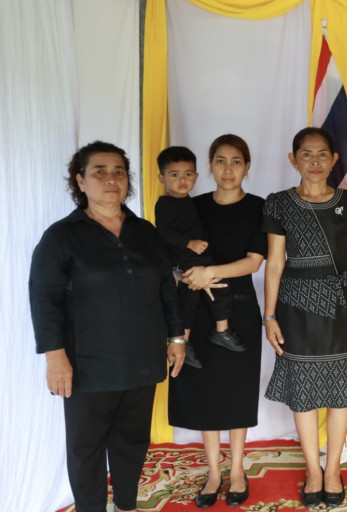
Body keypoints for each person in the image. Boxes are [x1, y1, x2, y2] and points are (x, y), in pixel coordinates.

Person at [29, 141, 186, 512]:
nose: (111, 179)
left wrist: (176, 337)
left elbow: (166, 288)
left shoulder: (145, 232)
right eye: (99, 171)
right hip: (88, 364)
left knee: (132, 440)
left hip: (143, 358)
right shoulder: (62, 237)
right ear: (81, 181)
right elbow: (44, 299)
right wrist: (55, 357)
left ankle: (127, 505)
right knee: (87, 447)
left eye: (119, 172)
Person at [262, 127, 347, 509]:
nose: (314, 161)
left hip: (343, 308)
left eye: (322, 154)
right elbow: (274, 264)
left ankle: (333, 471)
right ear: (293, 160)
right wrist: (269, 316)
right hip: (294, 310)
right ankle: (313, 470)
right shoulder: (278, 204)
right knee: (304, 391)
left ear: (333, 160)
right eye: (306, 154)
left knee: (341, 390)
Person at [167, 134, 267, 508]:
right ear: (209, 166)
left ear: (247, 166)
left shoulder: (259, 207)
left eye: (236, 161)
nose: (228, 169)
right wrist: (186, 275)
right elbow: (172, 257)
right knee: (204, 390)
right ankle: (213, 473)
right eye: (220, 161)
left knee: (236, 390)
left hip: (239, 308)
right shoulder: (191, 207)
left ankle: (237, 470)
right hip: (195, 311)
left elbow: (254, 262)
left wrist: (211, 272)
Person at [155, 146, 244, 369]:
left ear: (195, 177)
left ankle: (218, 331)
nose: (182, 180)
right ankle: (188, 339)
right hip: (181, 258)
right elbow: (163, 233)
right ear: (162, 178)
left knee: (213, 286)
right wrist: (189, 243)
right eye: (174, 175)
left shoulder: (190, 201)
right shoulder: (165, 203)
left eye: (188, 174)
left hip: (198, 259)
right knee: (195, 294)